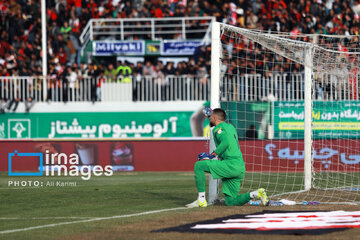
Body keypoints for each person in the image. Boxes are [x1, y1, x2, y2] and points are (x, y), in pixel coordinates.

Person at [186, 108, 269, 208]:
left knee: (199, 166)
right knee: (230, 201)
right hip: (239, 167)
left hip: (230, 164)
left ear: (215, 118)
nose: (209, 119)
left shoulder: (218, 129)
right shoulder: (230, 126)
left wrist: (212, 155)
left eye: (210, 117)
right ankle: (256, 193)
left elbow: (226, 142)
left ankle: (201, 200)